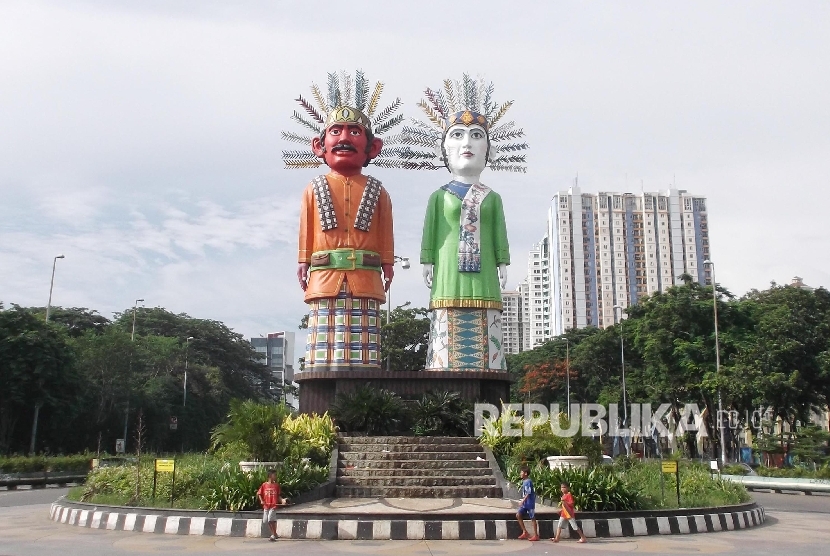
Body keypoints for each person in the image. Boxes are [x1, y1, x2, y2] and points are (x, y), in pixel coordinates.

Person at [285, 72, 408, 372]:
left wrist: (388, 263)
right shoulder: (313, 188)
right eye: (336, 131)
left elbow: (385, 231)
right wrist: (303, 260)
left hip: (365, 276)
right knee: (323, 350)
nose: (343, 138)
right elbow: (306, 230)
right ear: (319, 145)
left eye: (354, 133)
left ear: (373, 147)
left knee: (363, 351)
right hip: (325, 274)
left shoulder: (379, 191)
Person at [411, 75, 528, 372]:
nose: (467, 143)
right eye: (458, 135)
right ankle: (443, 366)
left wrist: (503, 262)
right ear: (444, 148)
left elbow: (499, 233)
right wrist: (426, 260)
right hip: (447, 269)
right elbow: (431, 231)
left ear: (488, 149)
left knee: (486, 317)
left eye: (476, 135)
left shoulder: (493, 197)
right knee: (445, 314)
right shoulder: (439, 197)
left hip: (485, 272)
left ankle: (489, 366)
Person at [515, 466, 539, 541]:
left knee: (532, 517)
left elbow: (528, 492)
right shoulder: (524, 481)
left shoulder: (528, 481)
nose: (520, 474)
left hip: (529, 502)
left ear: (525, 473)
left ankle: (536, 535)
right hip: (525, 503)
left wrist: (522, 501)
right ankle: (525, 532)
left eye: (521, 472)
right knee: (518, 515)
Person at [257, 469, 281, 542]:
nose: (275, 476)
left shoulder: (276, 485)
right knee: (266, 520)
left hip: (273, 505)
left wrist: (282, 500)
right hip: (266, 506)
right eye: (274, 475)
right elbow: (259, 494)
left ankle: (273, 535)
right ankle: (274, 533)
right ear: (270, 476)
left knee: (270, 519)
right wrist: (261, 500)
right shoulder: (264, 485)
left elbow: (278, 496)